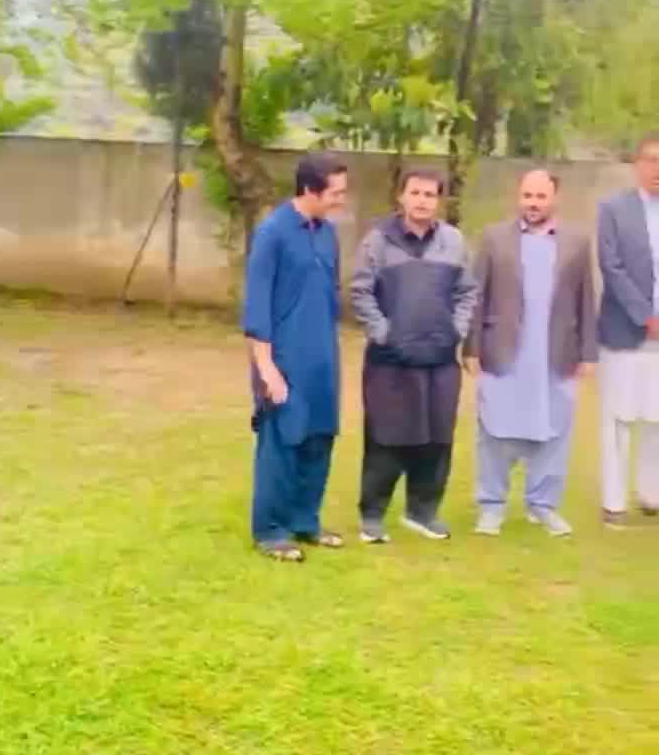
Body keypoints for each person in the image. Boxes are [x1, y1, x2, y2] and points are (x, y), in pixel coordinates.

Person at [465, 169, 596, 538]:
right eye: (527, 196)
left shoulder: (577, 242)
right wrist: (471, 347)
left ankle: (543, 505)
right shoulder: (494, 238)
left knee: (554, 430)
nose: (533, 203)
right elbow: (477, 295)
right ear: (518, 197)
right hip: (504, 352)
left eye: (540, 196)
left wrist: (589, 351)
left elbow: (586, 298)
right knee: (495, 430)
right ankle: (491, 506)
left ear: (555, 198)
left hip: (556, 353)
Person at [351, 167, 477, 543]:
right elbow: (360, 292)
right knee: (387, 438)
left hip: (439, 360)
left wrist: (456, 329)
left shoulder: (454, 241)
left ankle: (422, 512)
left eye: (429, 195)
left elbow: (467, 292)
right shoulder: (377, 241)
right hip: (390, 362)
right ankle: (372, 517)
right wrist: (384, 333)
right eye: (415, 193)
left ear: (439, 201)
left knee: (436, 438)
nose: (422, 201)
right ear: (401, 197)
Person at [243, 153, 348, 561]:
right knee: (284, 440)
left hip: (322, 355)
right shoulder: (272, 234)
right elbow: (257, 307)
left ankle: (306, 521)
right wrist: (266, 368)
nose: (341, 200)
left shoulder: (328, 233)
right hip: (284, 357)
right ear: (310, 190)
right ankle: (271, 531)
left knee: (319, 438)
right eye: (335, 193)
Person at [598, 133, 659, 526]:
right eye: (651, 159)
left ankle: (652, 493)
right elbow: (611, 265)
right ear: (637, 164)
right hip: (625, 330)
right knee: (618, 416)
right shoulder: (613, 209)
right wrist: (646, 317)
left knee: (656, 417)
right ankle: (614, 501)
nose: (657, 168)